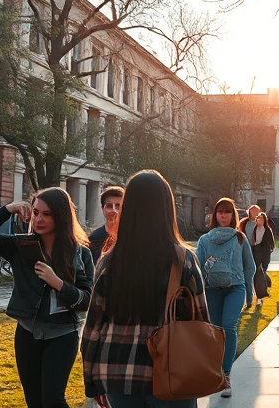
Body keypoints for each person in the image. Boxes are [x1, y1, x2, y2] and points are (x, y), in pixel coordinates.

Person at [81, 170, 209, 408]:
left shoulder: (110, 261)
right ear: (166, 208)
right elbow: (201, 320)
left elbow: (94, 326)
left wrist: (91, 380)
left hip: (118, 374)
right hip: (172, 373)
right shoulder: (183, 260)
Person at [0, 187, 94, 408]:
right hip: (28, 332)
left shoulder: (80, 253)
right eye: (36, 212)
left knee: (53, 400)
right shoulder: (20, 246)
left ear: (61, 216)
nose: (39, 219)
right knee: (34, 401)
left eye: (47, 214)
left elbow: (87, 300)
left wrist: (57, 282)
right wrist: (8, 209)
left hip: (62, 333)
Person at [196, 198, 255, 398]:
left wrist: (249, 290)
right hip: (212, 290)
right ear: (215, 215)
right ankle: (215, 371)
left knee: (229, 326)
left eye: (227, 212)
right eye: (220, 212)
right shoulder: (205, 240)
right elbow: (197, 268)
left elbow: (250, 266)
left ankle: (226, 375)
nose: (223, 215)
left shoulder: (240, 238)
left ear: (232, 216)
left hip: (235, 288)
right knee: (216, 331)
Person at [241, 210, 275, 306]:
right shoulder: (255, 229)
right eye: (258, 218)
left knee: (262, 271)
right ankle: (260, 295)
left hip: (264, 253)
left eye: (261, 219)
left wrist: (269, 250)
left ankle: (266, 284)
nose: (259, 220)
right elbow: (253, 241)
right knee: (257, 273)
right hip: (256, 252)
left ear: (264, 220)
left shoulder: (267, 230)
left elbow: (271, 243)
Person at [87, 186, 123, 264]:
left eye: (118, 206)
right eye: (109, 206)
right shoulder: (94, 238)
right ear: (102, 210)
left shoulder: (132, 236)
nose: (114, 210)